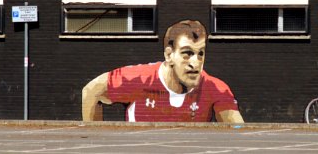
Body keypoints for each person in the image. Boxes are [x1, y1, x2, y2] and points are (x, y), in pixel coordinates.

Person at [79, 20, 243, 123]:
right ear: (169, 55)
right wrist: (95, 137)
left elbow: (238, 131)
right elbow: (91, 91)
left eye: (201, 53)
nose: (195, 62)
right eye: (187, 53)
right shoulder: (138, 79)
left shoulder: (215, 88)